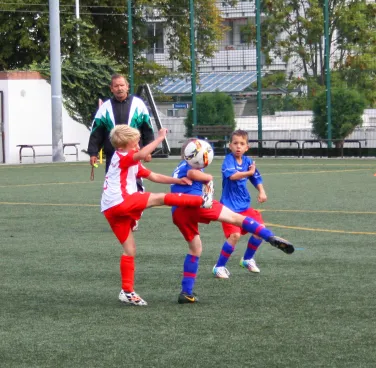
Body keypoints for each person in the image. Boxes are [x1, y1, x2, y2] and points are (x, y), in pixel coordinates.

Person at [171, 139, 294, 305]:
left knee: (195, 248)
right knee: (237, 219)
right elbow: (194, 174)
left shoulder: (180, 165)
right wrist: (207, 179)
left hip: (178, 211)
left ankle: (186, 292)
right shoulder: (192, 167)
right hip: (195, 203)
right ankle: (269, 237)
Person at [101, 125, 213, 307]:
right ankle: (201, 201)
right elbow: (140, 155)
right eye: (135, 144)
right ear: (122, 147)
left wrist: (177, 180)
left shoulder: (127, 160)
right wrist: (160, 138)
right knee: (160, 198)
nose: (138, 147)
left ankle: (127, 291)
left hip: (109, 208)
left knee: (130, 250)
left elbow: (153, 175)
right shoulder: (123, 156)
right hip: (121, 201)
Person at [88, 74, 155, 230]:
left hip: (134, 155)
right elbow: (96, 131)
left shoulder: (138, 104)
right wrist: (93, 153)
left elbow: (148, 129)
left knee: (136, 185)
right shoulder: (105, 108)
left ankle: (135, 217)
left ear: (127, 86)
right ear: (111, 89)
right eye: (116, 86)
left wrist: (148, 150)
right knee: (114, 187)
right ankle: (121, 217)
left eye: (122, 85)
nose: (119, 88)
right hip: (113, 157)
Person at [212, 129, 266, 279]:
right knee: (234, 235)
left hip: (244, 207)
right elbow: (234, 176)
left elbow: (256, 177)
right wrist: (248, 173)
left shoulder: (248, 161)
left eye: (242, 144)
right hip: (229, 209)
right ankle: (219, 267)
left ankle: (247, 259)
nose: (238, 147)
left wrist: (261, 191)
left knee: (260, 231)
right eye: (235, 143)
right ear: (230, 146)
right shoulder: (228, 161)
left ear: (247, 147)